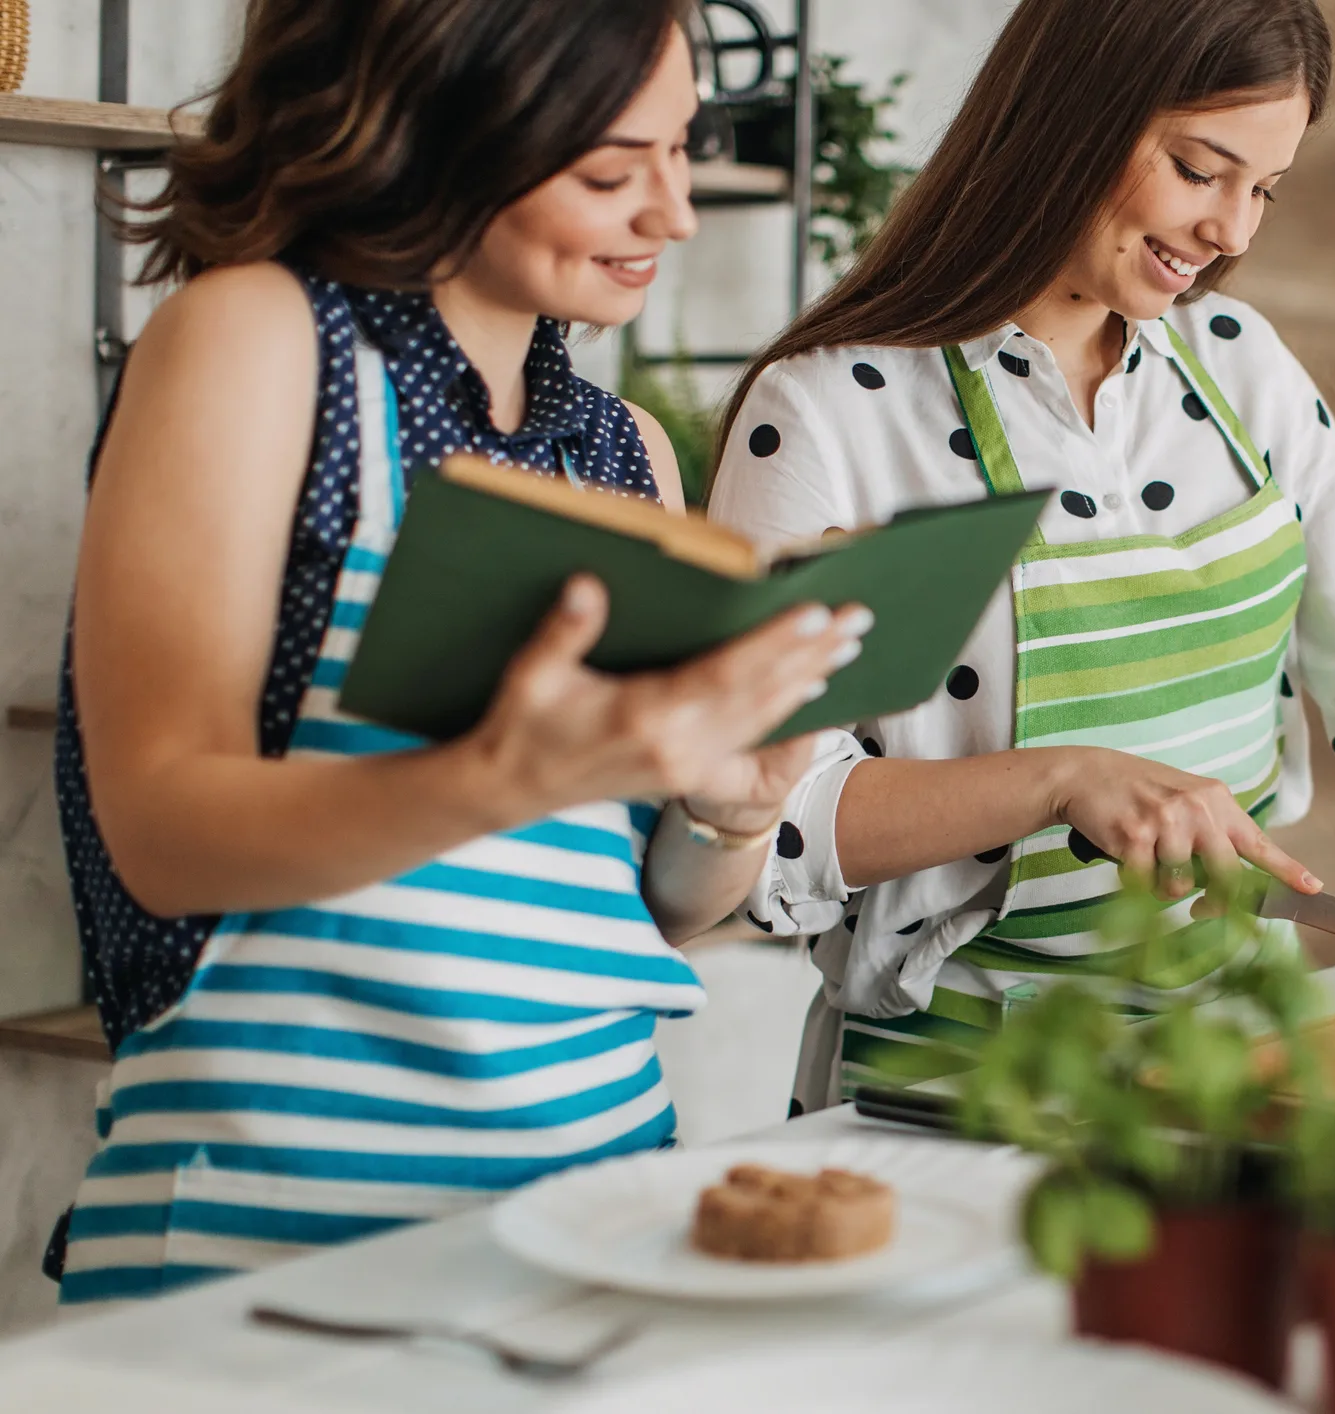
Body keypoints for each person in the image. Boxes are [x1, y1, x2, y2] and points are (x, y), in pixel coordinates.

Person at [48, 0, 868, 1303]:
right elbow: (159, 826)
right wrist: (502, 771)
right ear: (435, 130)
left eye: (682, 148)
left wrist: (729, 813)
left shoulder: (626, 454)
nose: (675, 213)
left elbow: (641, 912)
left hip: (596, 1204)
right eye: (610, 169)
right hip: (280, 1223)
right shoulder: (260, 343)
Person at [707, 0, 1335, 1112]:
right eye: (1200, 170)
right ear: (1070, 120)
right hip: (953, 1089)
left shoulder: (1239, 368)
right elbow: (767, 818)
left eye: (1264, 190)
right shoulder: (827, 411)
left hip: (1239, 1063)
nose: (1233, 231)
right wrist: (1056, 780)